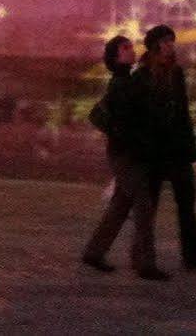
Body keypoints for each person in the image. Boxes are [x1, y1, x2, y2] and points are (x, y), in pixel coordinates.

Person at [123, 25, 196, 279]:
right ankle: (142, 259)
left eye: (171, 41)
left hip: (176, 149)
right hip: (153, 152)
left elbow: (183, 112)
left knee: (187, 204)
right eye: (165, 42)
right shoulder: (141, 76)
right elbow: (135, 116)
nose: (170, 46)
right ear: (154, 45)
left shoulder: (176, 73)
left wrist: (190, 143)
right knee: (148, 207)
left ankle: (193, 254)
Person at [79, 34, 146, 273]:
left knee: (121, 205)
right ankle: (142, 261)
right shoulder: (120, 83)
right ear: (116, 57)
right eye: (125, 48)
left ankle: (94, 253)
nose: (131, 50)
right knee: (143, 202)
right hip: (124, 154)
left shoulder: (126, 80)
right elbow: (97, 115)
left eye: (130, 47)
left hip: (125, 151)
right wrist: (120, 133)